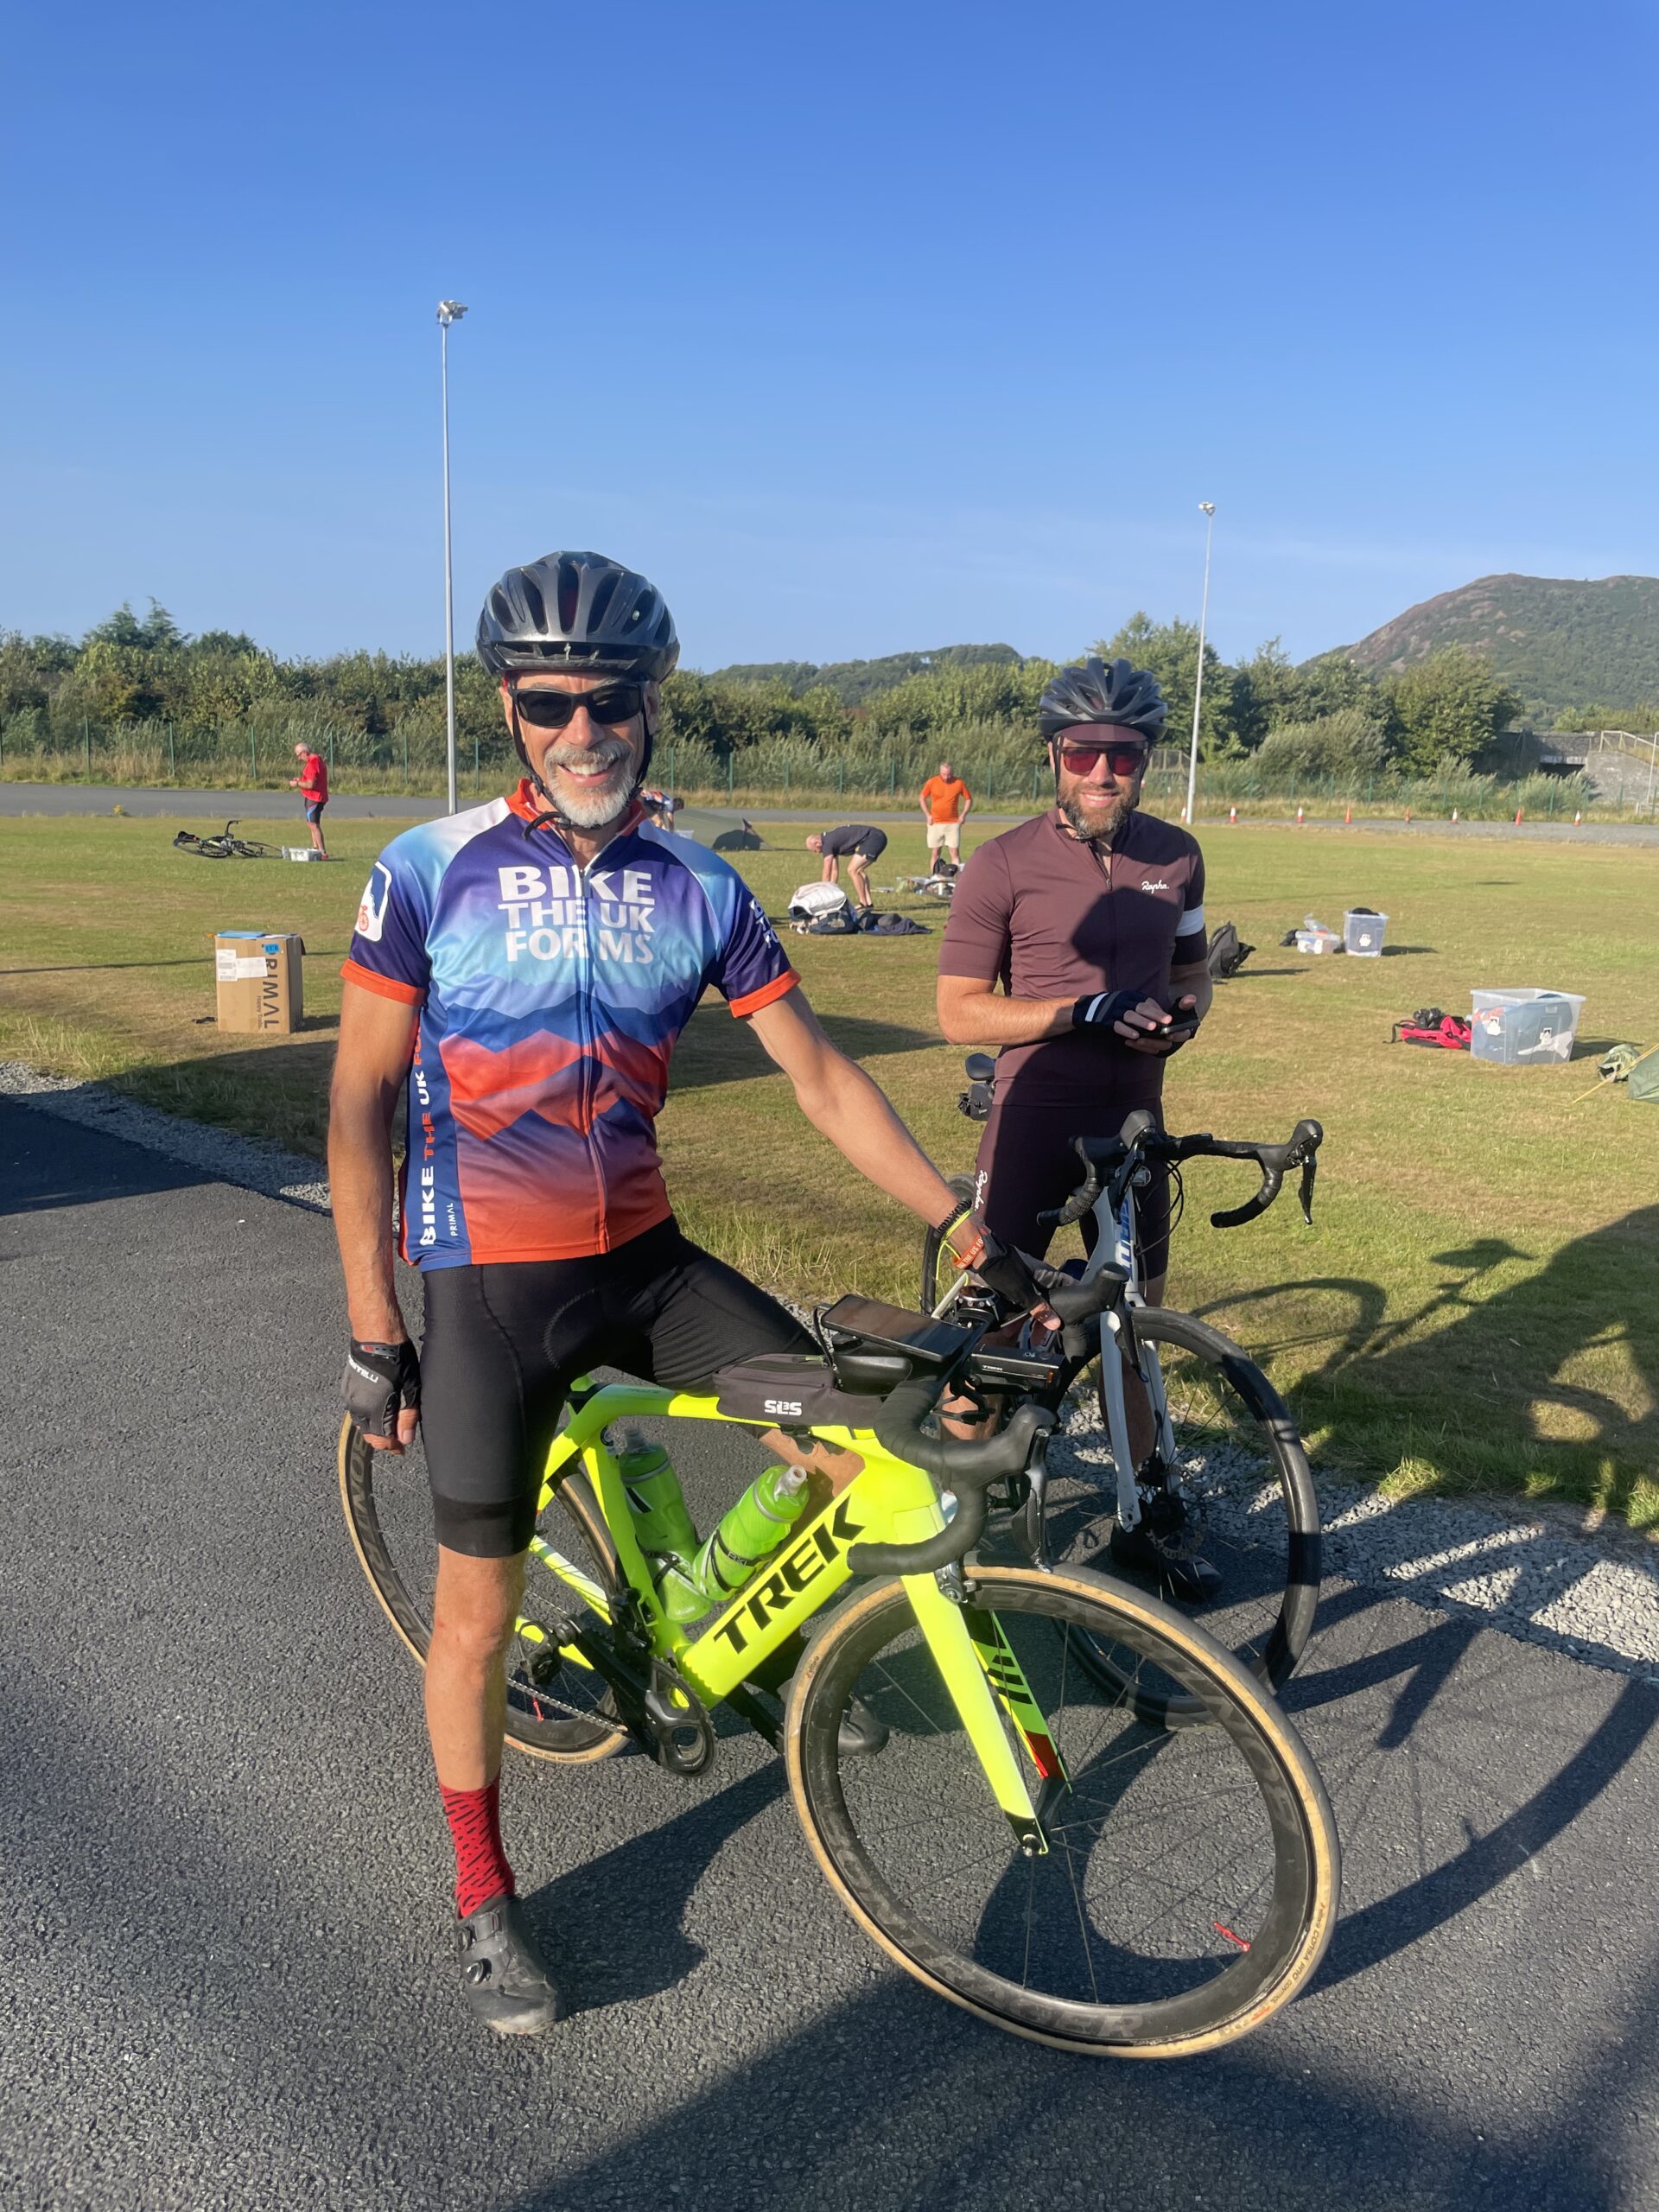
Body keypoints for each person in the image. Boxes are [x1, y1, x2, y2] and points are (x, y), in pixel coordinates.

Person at [328, 551, 1039, 2038]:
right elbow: (360, 1106)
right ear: (511, 709)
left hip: (648, 1262)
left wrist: (956, 1215)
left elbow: (823, 1076)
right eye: (549, 705)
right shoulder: (425, 869)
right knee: (477, 1615)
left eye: (612, 704)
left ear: (656, 709)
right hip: (485, 1288)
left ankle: (720, 1632)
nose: (583, 733)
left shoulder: (702, 884)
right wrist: (372, 1327)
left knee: (857, 1443)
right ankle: (480, 1890)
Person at [935, 653, 1216, 1592]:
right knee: (999, 1320)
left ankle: (1143, 1492)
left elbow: (1190, 971)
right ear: (1055, 753)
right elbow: (959, 1010)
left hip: (1135, 1121)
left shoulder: (1176, 855)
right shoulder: (1002, 861)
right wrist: (1077, 1013)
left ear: (1145, 758)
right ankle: (957, 1512)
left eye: (1123, 755)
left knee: (1133, 1318)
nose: (1103, 773)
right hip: (1033, 1120)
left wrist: (1187, 1015)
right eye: (1085, 752)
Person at [804, 823, 887, 912]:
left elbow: (827, 870)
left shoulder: (827, 843)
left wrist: (824, 890)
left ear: (817, 843)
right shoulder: (829, 841)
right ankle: (868, 903)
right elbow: (834, 870)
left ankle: (863, 903)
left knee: (853, 870)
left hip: (873, 838)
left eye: (815, 850)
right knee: (859, 870)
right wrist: (832, 889)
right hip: (876, 836)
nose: (816, 853)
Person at [918, 759, 973, 870]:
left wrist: (963, 815)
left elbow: (968, 799)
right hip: (936, 823)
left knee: (954, 852)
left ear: (952, 773)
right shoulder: (932, 782)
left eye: (949, 775)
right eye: (944, 774)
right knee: (935, 852)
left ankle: (957, 880)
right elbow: (922, 797)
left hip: (952, 824)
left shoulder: (959, 783)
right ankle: (934, 878)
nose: (946, 777)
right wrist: (928, 815)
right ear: (940, 772)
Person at [289, 741, 329, 857]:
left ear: (305, 752)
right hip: (314, 797)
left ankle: (322, 852)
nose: (299, 758)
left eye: (299, 754)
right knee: (311, 823)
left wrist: (297, 784)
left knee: (314, 824)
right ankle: (316, 848)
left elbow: (311, 785)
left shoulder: (312, 763)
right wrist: (300, 780)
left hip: (315, 797)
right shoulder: (317, 759)